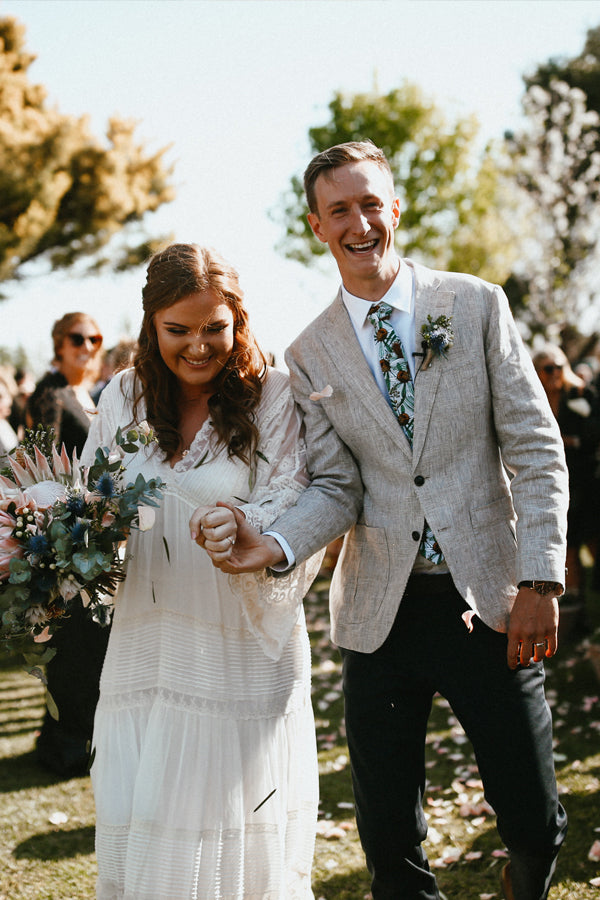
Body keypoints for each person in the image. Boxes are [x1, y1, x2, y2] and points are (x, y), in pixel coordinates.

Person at [205, 142, 570, 900]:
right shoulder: (308, 353)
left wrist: (541, 579)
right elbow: (337, 488)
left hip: (491, 599)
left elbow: (536, 447)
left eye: (371, 204)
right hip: (381, 613)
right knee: (389, 841)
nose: (359, 223)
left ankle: (524, 875)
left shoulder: (475, 304)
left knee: (535, 820)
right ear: (317, 226)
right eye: (339, 210)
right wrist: (274, 545)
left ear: (395, 209)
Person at [81, 243, 322, 900]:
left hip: (241, 643)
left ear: (237, 320)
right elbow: (93, 497)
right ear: (151, 326)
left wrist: (243, 521)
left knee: (233, 820)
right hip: (149, 638)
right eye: (177, 330)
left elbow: (295, 494)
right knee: (152, 812)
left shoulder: (273, 394)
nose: (197, 346)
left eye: (214, 327)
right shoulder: (124, 395)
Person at [27, 312, 110, 777]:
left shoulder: (87, 394)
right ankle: (64, 747)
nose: (88, 346)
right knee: (73, 644)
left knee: (88, 643)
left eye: (95, 338)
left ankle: (75, 737)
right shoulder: (50, 394)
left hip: (92, 535)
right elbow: (40, 466)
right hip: (63, 539)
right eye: (78, 338)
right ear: (59, 343)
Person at [533, 344, 600, 603]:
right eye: (548, 368)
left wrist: (571, 441)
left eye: (559, 367)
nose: (555, 373)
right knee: (567, 539)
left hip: (584, 476)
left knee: (592, 536)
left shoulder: (580, 393)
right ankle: (574, 598)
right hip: (553, 481)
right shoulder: (533, 399)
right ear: (537, 371)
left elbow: (594, 432)